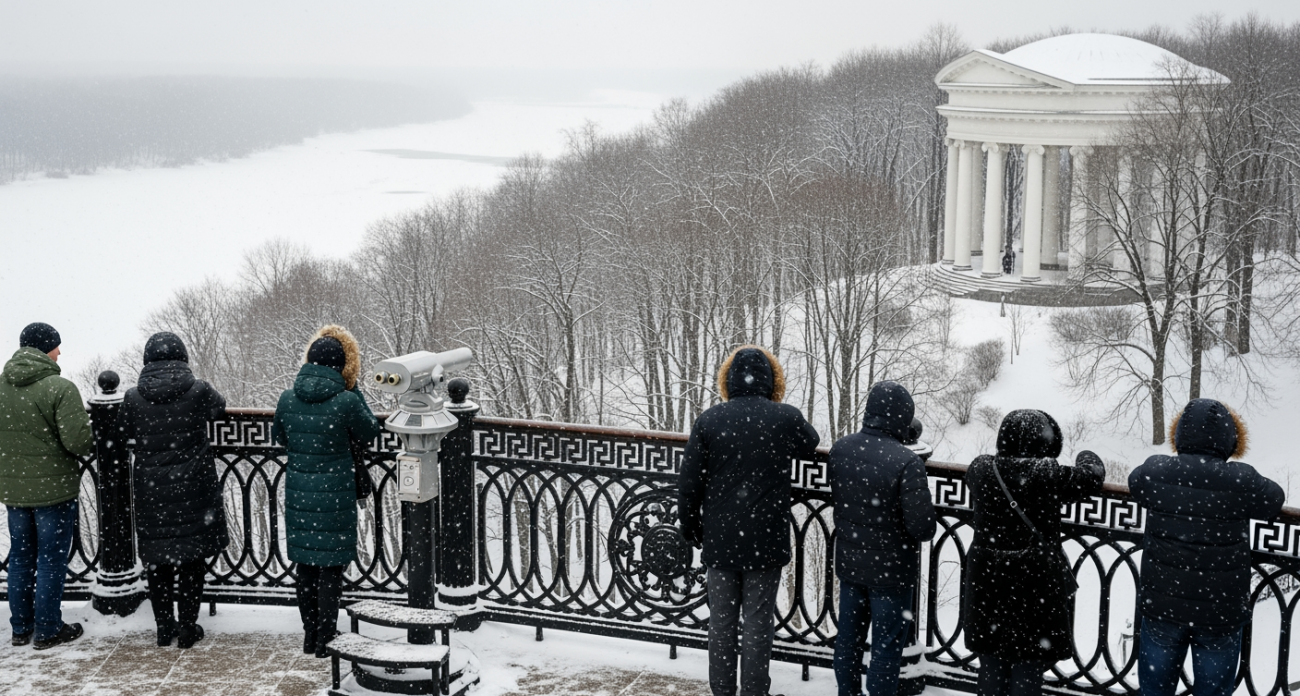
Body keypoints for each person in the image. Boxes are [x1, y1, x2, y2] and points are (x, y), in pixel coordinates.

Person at [679, 345, 820, 696]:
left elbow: (690, 481)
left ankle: (722, 691)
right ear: (772, 381)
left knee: (722, 624)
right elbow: (810, 443)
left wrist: (689, 523)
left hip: (721, 539)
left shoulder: (709, 420)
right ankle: (754, 691)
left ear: (727, 380)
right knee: (758, 623)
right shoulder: (784, 417)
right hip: (765, 539)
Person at [1129, 399, 1283, 696]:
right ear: (1229, 439)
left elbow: (1135, 483)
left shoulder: (1156, 471)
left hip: (1164, 607)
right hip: (1219, 613)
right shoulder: (1242, 479)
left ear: (1180, 436)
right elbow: (1274, 499)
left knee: (1154, 690)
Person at [963, 410, 1103, 696]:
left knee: (991, 657)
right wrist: (1086, 457)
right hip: (1032, 584)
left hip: (988, 583)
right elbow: (1092, 477)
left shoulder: (980, 469)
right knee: (1028, 660)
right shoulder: (1047, 473)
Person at [273, 325, 379, 658]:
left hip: (300, 493)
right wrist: (355, 388)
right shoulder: (346, 401)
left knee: (305, 565)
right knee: (331, 567)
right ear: (341, 366)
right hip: (335, 494)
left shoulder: (288, 398)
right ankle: (325, 637)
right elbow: (370, 431)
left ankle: (309, 635)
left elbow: (281, 436)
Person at [117, 332, 228, 648]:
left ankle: (164, 627)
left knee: (158, 559)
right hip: (193, 486)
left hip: (153, 491)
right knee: (192, 558)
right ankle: (188, 628)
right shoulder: (198, 391)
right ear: (183, 358)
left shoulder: (133, 397)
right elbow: (219, 410)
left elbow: (122, 430)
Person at [829, 381, 936, 696]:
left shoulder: (841, 449)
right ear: (904, 417)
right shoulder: (906, 463)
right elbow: (923, 529)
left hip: (850, 566)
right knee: (886, 649)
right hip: (890, 573)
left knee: (848, 640)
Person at [0, 323, 93, 649]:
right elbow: (79, 441)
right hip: (53, 491)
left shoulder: (2, 385)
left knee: (21, 558)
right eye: (56, 346)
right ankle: (49, 629)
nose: (60, 352)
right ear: (44, 349)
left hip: (14, 490)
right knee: (51, 559)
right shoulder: (59, 388)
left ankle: (21, 629)